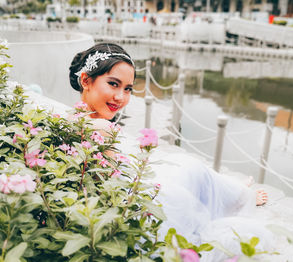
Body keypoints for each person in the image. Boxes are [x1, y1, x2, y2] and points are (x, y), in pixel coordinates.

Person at [68, 43, 271, 259]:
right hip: (137, 210)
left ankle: (235, 192)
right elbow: (115, 192)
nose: (121, 97)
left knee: (185, 167)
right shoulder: (102, 128)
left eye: (127, 88)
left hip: (130, 193)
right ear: (86, 80)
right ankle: (240, 196)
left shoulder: (74, 117)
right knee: (191, 169)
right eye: (113, 84)